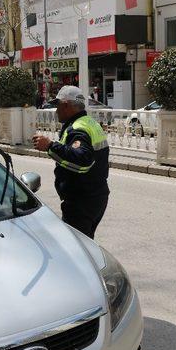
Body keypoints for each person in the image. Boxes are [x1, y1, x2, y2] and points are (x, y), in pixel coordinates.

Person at [32, 85, 110, 239]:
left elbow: (83, 160)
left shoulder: (78, 129)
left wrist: (49, 146)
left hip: (82, 201)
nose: (56, 111)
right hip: (96, 196)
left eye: (58, 106)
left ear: (66, 105)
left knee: (77, 249)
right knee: (86, 244)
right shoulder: (89, 122)